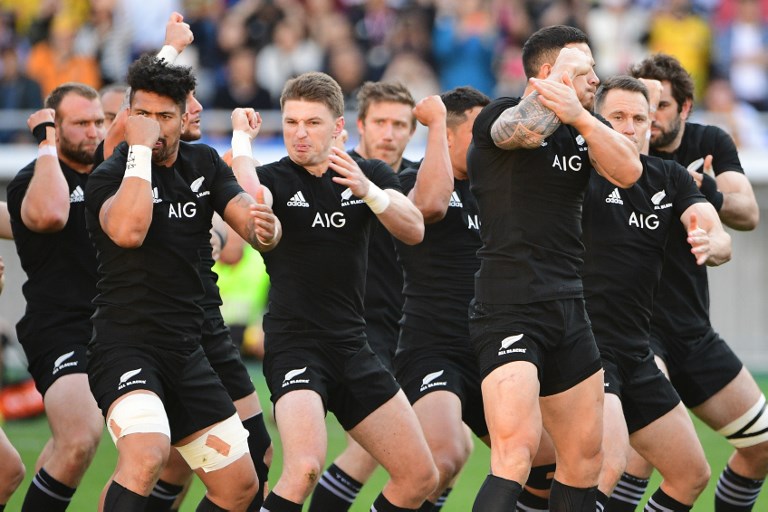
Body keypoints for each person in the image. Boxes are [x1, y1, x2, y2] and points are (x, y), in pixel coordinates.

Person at [84, 54, 278, 511]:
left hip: (188, 350)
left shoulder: (203, 162)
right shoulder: (110, 175)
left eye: (165, 116)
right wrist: (138, 153)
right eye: (143, 115)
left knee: (242, 485)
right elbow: (129, 231)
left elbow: (247, 225)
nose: (154, 126)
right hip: (125, 346)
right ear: (129, 118)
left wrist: (265, 229)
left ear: (183, 115)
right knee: (148, 454)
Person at [466, 25, 641, 512]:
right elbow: (518, 130)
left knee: (587, 459)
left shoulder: (582, 126)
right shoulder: (499, 115)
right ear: (548, 73)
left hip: (568, 306)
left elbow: (629, 170)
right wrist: (559, 92)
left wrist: (582, 117)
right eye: (584, 70)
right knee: (516, 453)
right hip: (508, 307)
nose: (595, 80)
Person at [256, 71, 437, 512]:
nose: (299, 133)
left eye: (312, 123)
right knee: (303, 468)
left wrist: (368, 191)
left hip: (352, 347)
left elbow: (414, 229)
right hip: (295, 346)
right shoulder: (272, 179)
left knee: (421, 477)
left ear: (338, 127)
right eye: (291, 122)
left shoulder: (367, 173)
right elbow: (247, 212)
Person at [605, 52, 763, 512]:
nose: (645, 119)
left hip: (692, 329)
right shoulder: (608, 159)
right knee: (642, 456)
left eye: (658, 107)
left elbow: (747, 214)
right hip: (634, 333)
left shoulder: (703, 146)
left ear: (686, 109)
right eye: (634, 108)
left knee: (762, 447)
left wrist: (703, 191)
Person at [586, 75, 731, 511]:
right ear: (596, 120)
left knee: (691, 474)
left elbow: (715, 231)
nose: (629, 128)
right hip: (587, 350)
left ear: (653, 125)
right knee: (607, 467)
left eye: (639, 118)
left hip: (636, 351)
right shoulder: (577, 176)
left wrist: (714, 244)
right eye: (617, 117)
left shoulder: (668, 178)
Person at [309, 80, 433, 512]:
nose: (390, 132)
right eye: (380, 121)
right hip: (355, 329)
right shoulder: (334, 174)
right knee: (364, 454)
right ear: (358, 125)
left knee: (446, 457)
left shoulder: (422, 179)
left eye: (401, 124)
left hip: (412, 329)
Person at [6, 82, 106, 512]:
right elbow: (50, 214)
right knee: (81, 437)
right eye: (80, 123)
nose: (93, 132)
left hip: (119, 325)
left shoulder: (112, 173)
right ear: (55, 127)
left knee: (164, 448)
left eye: (98, 122)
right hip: (61, 329)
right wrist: (47, 144)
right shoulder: (34, 180)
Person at [393, 86, 492, 510]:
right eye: (479, 132)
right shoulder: (409, 182)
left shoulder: (495, 188)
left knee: (547, 465)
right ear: (447, 137)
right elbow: (430, 207)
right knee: (444, 457)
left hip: (492, 349)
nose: (489, 140)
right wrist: (433, 124)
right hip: (434, 348)